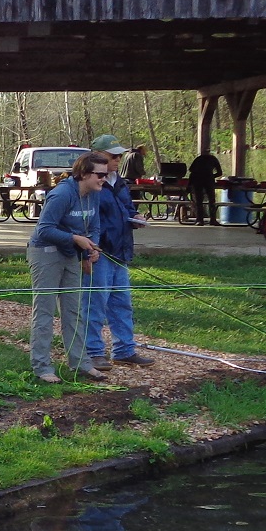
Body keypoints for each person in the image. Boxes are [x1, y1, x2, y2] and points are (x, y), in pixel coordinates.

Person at [26, 151, 109, 384]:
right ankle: (42, 367)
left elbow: (94, 227)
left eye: (106, 175)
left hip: (71, 253)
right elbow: (44, 229)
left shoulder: (94, 194)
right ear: (84, 174)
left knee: (74, 310)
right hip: (45, 252)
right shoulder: (62, 194)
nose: (104, 179)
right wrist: (75, 238)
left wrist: (91, 247)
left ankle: (81, 363)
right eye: (100, 175)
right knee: (44, 311)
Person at [85, 135, 154, 370]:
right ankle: (93, 352)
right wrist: (91, 247)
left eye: (119, 156)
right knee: (95, 304)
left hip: (121, 250)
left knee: (122, 303)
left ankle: (124, 350)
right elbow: (87, 218)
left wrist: (135, 217)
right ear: (96, 156)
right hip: (99, 252)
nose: (117, 160)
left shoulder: (120, 181)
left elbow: (127, 208)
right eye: (112, 156)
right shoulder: (90, 183)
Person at [189, 149, 223, 225]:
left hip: (198, 180)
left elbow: (191, 170)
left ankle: (200, 220)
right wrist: (211, 176)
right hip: (208, 181)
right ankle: (212, 219)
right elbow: (219, 172)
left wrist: (190, 183)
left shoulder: (198, 159)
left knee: (199, 201)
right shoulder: (213, 159)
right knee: (211, 201)